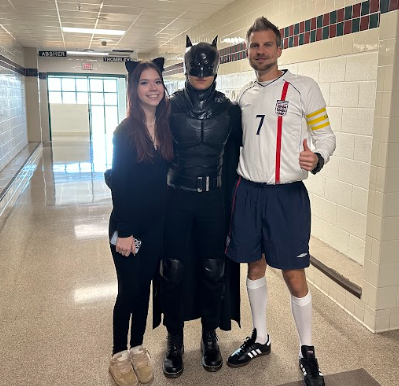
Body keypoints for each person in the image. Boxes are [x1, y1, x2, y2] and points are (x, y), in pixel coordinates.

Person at [225, 17, 336, 386]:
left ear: (279, 48)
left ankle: (307, 352)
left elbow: (326, 135)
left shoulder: (303, 88)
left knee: (293, 275)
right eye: (254, 46)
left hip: (286, 196)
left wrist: (317, 158)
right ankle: (260, 337)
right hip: (248, 193)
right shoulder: (243, 94)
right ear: (247, 52)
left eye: (267, 45)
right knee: (253, 267)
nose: (260, 51)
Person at [159, 36, 242, 378]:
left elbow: (245, 154)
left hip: (212, 200)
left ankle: (210, 335)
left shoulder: (230, 109)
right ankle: (174, 339)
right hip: (177, 197)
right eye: (196, 71)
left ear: (216, 70)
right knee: (173, 270)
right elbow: (149, 147)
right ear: (187, 70)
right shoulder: (170, 106)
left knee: (213, 270)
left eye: (207, 71)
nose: (201, 76)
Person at [108, 58, 173, 386]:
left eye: (157, 82)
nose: (152, 88)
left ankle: (138, 348)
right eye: (145, 82)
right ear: (134, 89)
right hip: (128, 225)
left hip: (156, 224)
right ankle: (119, 354)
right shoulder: (125, 131)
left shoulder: (165, 127)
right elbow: (118, 182)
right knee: (129, 292)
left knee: (146, 289)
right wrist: (124, 231)